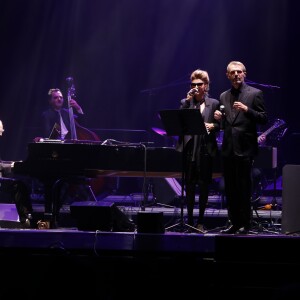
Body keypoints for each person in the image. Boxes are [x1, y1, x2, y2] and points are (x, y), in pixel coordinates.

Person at [214, 61, 268, 234]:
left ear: (244, 73)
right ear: (227, 75)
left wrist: (247, 110)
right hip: (228, 148)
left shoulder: (254, 94)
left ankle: (246, 223)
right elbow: (226, 121)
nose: (236, 75)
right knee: (230, 188)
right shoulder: (223, 96)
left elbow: (263, 118)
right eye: (233, 72)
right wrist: (219, 118)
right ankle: (234, 222)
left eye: (239, 72)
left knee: (244, 187)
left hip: (245, 148)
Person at [176, 69, 220, 233]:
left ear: (206, 86)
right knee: (189, 185)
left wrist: (213, 126)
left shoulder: (214, 103)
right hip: (189, 148)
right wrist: (187, 102)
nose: (195, 87)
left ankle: (200, 221)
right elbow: (179, 121)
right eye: (193, 84)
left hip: (205, 148)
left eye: (199, 84)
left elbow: (220, 125)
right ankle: (189, 220)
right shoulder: (185, 102)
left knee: (203, 186)